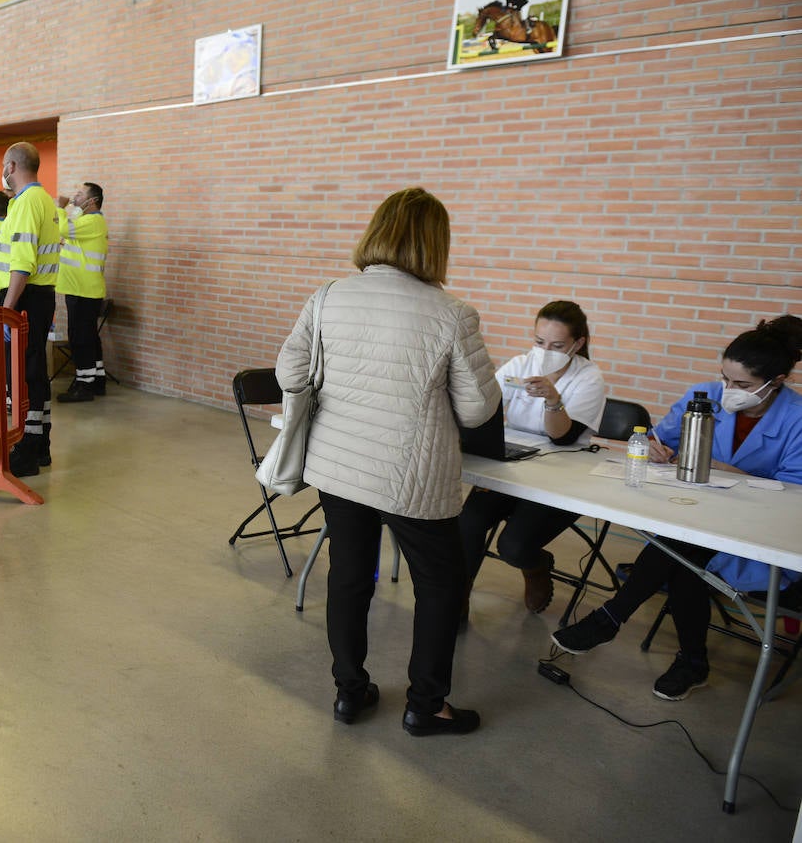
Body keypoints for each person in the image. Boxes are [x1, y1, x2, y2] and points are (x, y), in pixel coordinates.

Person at [275, 188, 499, 735]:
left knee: (350, 576)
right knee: (440, 585)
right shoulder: (453, 313)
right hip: (411, 476)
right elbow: (476, 410)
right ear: (435, 244)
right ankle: (427, 705)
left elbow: (288, 374)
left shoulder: (328, 296)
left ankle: (350, 693)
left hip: (339, 465)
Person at [552, 316, 802, 699]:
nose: (728, 391)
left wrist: (723, 469)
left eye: (743, 385)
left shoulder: (797, 418)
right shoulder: (704, 395)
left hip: (759, 537)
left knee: (683, 558)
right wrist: (653, 447)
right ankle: (690, 662)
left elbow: (792, 494)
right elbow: (659, 437)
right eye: (725, 378)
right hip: (696, 519)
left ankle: (614, 619)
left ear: (778, 381)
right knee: (684, 550)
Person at [458, 301, 607, 615]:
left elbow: (562, 437)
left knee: (513, 546)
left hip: (561, 472)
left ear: (578, 344)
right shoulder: (520, 364)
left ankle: (537, 565)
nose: (544, 350)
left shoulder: (589, 377)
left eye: (556, 345)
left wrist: (553, 400)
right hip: (513, 461)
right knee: (468, 523)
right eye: (539, 342)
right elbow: (485, 406)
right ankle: (455, 604)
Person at [0, 141, 62, 477]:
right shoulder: (43, 200)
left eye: (3, 166)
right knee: (34, 370)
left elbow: (21, 262)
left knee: (25, 373)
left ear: (11, 167)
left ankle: (28, 447)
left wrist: (5, 311)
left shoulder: (24, 204)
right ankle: (40, 442)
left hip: (25, 297)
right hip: (41, 294)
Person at [54, 182, 109, 403]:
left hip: (83, 290)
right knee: (89, 338)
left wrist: (60, 207)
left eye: (80, 194)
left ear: (92, 200)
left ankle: (84, 386)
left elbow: (64, 229)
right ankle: (97, 380)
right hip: (80, 288)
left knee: (80, 339)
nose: (75, 197)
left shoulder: (92, 221)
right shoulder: (87, 222)